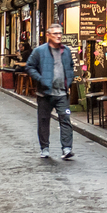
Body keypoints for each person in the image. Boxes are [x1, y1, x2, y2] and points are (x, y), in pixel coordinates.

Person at [25, 25, 76, 160]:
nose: (58, 36)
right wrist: (41, 79)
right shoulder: (39, 51)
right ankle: (45, 148)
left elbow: (70, 66)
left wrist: (69, 80)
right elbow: (29, 66)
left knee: (65, 119)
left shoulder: (66, 51)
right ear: (48, 35)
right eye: (55, 34)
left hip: (62, 93)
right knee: (43, 120)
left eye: (60, 33)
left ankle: (67, 148)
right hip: (45, 93)